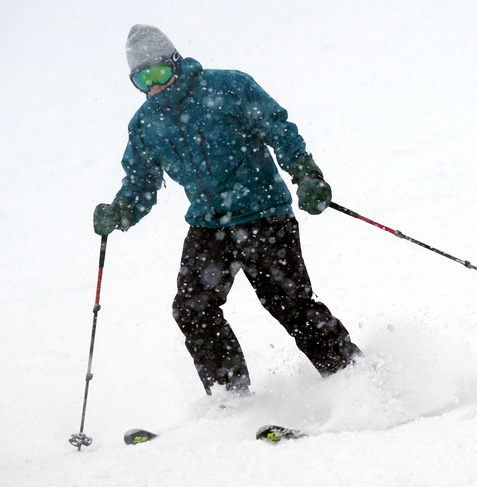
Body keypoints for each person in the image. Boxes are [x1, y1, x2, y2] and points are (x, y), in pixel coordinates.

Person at [94, 25, 361, 395]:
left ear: (176, 63)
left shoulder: (228, 86)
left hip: (264, 214)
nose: (154, 86)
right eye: (142, 79)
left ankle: (355, 379)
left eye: (159, 73)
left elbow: (279, 130)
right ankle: (230, 397)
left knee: (290, 305)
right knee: (191, 309)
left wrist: (306, 175)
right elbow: (141, 181)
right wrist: (121, 211)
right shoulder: (145, 125)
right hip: (209, 227)